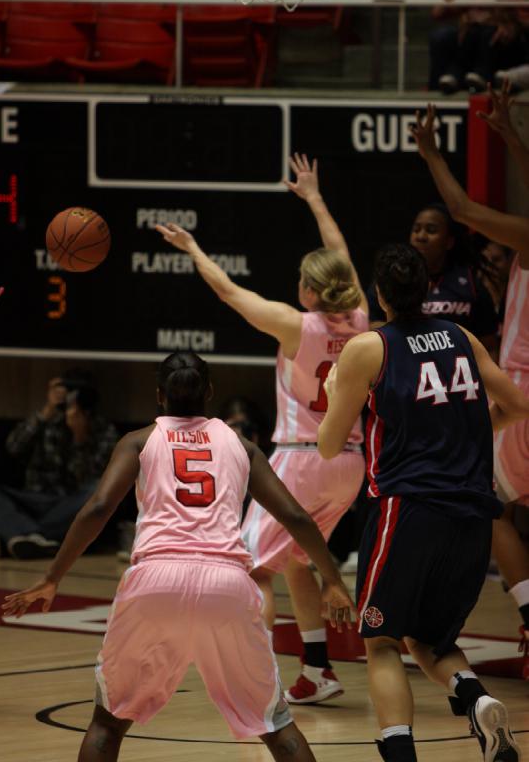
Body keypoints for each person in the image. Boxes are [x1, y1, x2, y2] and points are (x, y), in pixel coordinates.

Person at [2, 351, 354, 762]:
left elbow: (98, 508)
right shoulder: (241, 445)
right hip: (227, 584)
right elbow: (294, 515)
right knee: (275, 725)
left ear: (159, 396)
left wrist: (52, 577)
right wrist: (331, 579)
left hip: (155, 579)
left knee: (107, 722)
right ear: (209, 392)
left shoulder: (139, 440)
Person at [156, 160, 368, 704]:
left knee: (250, 569)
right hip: (350, 464)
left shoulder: (297, 324)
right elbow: (340, 253)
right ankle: (318, 671)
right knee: (298, 559)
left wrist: (193, 249)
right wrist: (316, 200)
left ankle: (259, 686)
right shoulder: (363, 318)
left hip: (302, 460)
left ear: (311, 292)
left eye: (302, 281)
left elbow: (227, 292)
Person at [318, 242, 529, 762]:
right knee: (431, 641)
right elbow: (517, 404)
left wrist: (333, 385)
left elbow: (327, 444)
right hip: (474, 514)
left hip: (407, 511)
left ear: (380, 294)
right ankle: (476, 701)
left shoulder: (368, 347)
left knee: (382, 643)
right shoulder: (460, 336)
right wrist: (480, 427)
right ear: (428, 290)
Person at [413, 92, 529, 679]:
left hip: (521, 401)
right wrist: (510, 136)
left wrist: (432, 153)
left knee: (493, 509)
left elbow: (460, 208)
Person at [0, 370, 118, 559]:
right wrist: (47, 411)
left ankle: (17, 535)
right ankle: (32, 537)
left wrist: (80, 437)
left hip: (68, 506)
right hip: (33, 499)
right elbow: (14, 447)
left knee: (98, 490)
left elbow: (89, 482)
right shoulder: (47, 421)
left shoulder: (103, 431)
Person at [367, 201, 499, 353]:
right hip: (405, 363)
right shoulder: (392, 277)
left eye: (431, 230)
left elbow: (489, 344)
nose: (421, 236)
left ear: (449, 242)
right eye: (416, 230)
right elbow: (370, 325)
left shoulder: (469, 283)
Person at [429, 0, 526, 94]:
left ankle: (481, 75)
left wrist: (509, 24)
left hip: (495, 47)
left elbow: (518, 16)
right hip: (468, 46)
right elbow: (437, 13)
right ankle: (453, 76)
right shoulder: (467, 1)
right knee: (467, 33)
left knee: (487, 33)